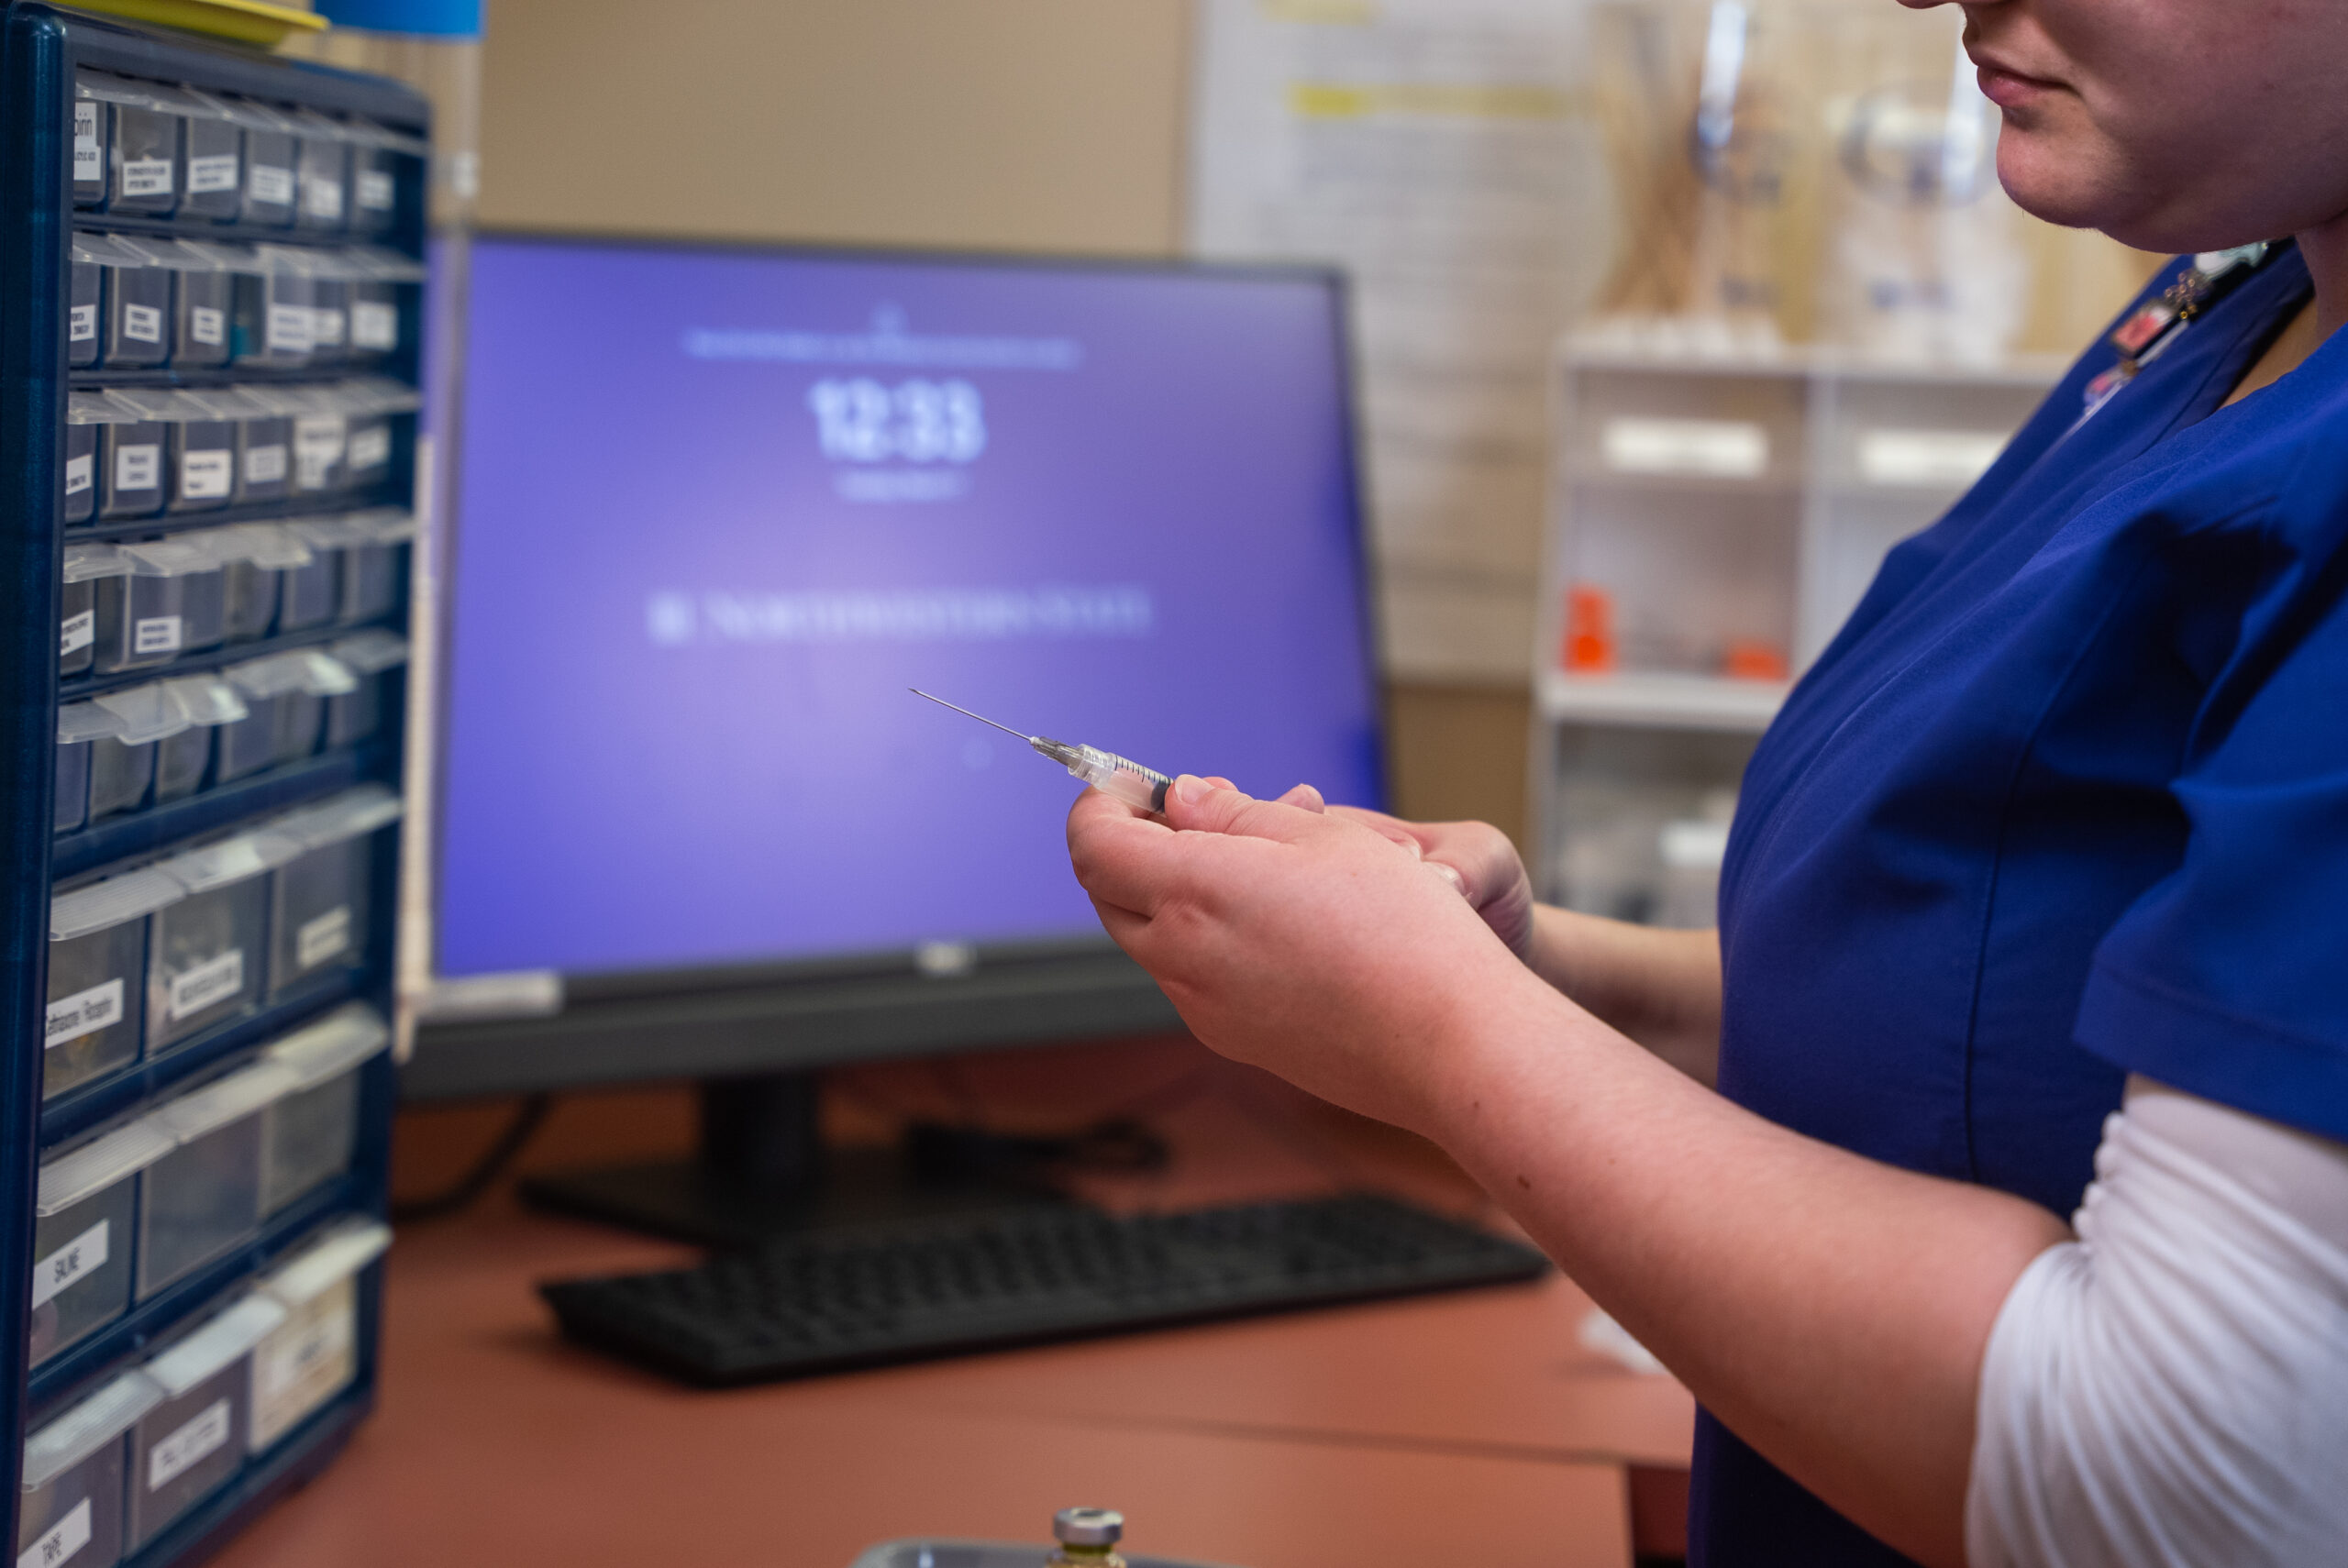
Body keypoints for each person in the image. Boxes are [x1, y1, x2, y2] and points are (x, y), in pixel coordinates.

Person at [1064, 1, 2348, 1564]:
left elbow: (2181, 1493)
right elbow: (1988, 1005)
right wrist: (1536, 971)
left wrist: (1432, 1026)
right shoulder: (2239, 288)